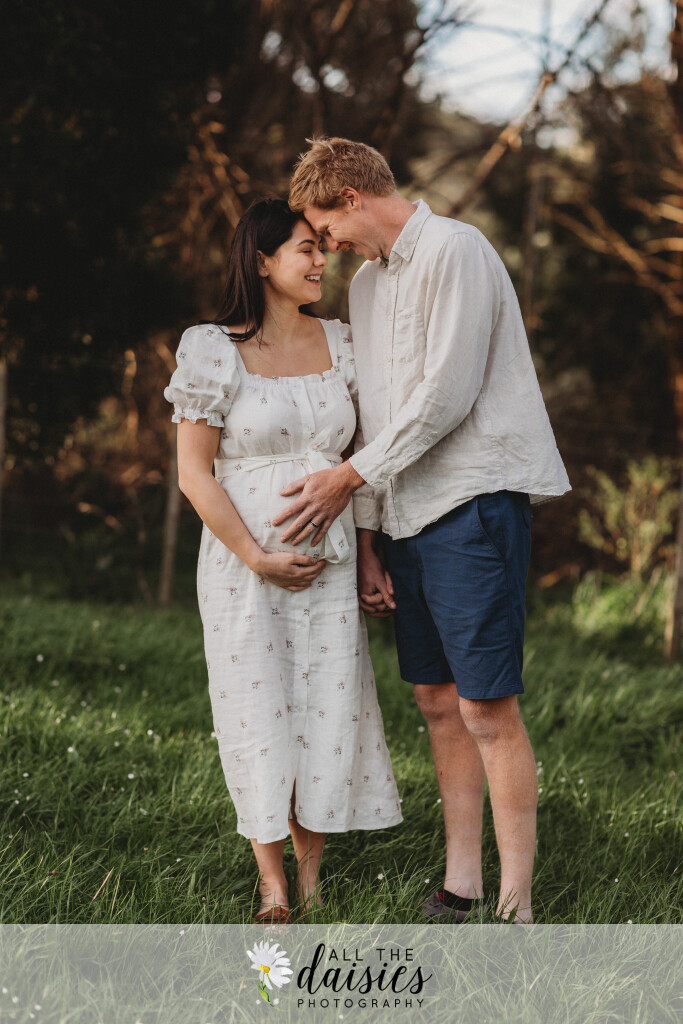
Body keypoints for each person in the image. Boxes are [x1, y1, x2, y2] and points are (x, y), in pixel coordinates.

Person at [275, 138, 571, 924]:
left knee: (485, 707)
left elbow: (446, 394)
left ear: (349, 196)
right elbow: (374, 412)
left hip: (471, 502)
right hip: (402, 516)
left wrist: (346, 480)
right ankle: (460, 885)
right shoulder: (367, 288)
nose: (327, 247)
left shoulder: (456, 250)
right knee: (437, 701)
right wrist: (370, 539)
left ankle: (515, 906)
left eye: (325, 228)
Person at [164, 197, 402, 924]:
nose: (321, 259)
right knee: (257, 711)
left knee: (326, 710)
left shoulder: (342, 342)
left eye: (322, 247)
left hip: (330, 565)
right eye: (306, 248)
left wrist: (368, 555)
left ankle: (311, 878)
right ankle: (271, 884)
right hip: (244, 570)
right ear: (262, 260)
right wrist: (256, 556)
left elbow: (361, 459)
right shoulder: (212, 348)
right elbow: (194, 473)